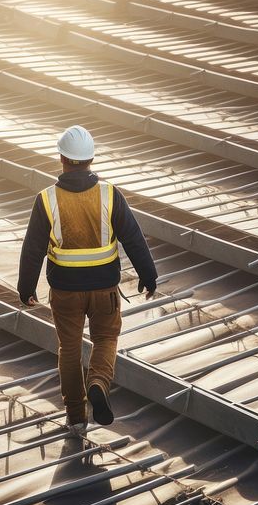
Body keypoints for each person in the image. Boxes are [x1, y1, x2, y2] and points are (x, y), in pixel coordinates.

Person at [18, 125, 158, 436]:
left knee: (68, 349)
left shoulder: (46, 199)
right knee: (105, 340)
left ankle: (76, 416)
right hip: (104, 289)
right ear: (91, 158)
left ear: (62, 158)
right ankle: (98, 383)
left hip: (65, 291)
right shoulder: (110, 194)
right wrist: (148, 276)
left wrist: (26, 287)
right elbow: (133, 238)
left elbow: (32, 249)